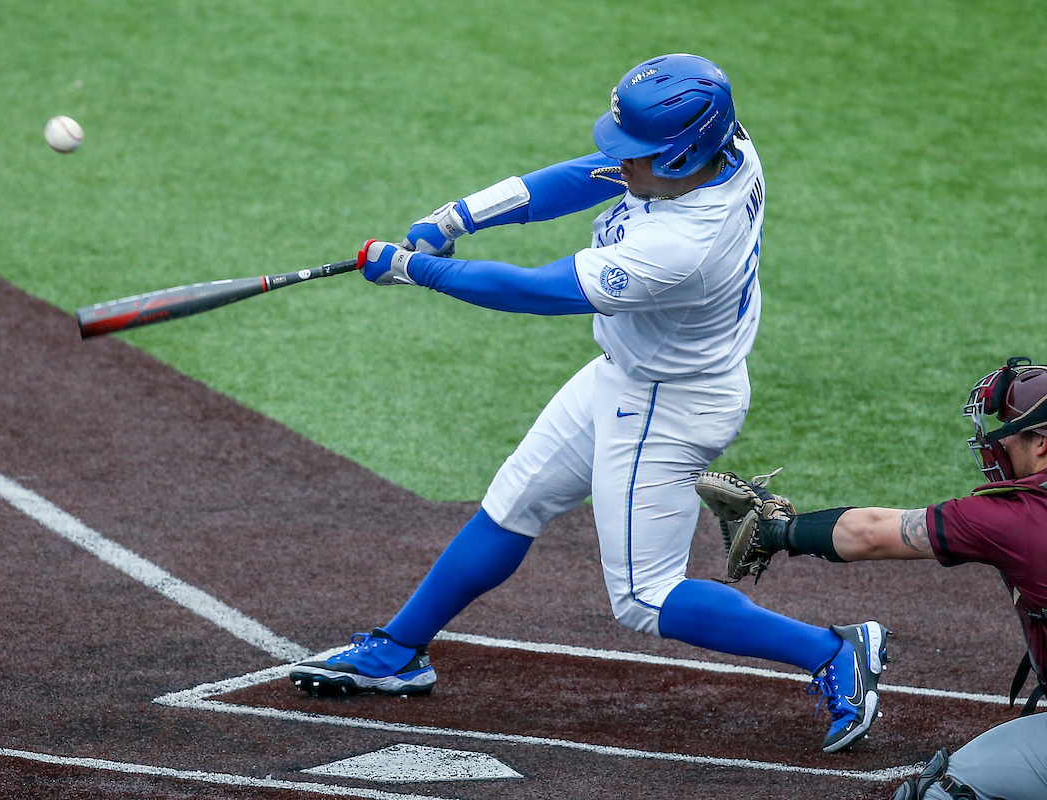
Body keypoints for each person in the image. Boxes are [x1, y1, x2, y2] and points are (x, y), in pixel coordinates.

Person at [289, 54, 888, 754]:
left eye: (635, 152)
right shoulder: (721, 146)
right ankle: (398, 651)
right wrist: (457, 217)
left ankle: (833, 649)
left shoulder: (682, 247)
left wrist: (413, 267)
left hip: (668, 406)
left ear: (683, 150)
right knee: (515, 502)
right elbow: (588, 174)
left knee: (645, 598)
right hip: (631, 374)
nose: (620, 161)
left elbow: (535, 291)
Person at [712, 356, 1047, 799]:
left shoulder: (1012, 518)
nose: (996, 448)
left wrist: (778, 532)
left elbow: (869, 534)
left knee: (940, 791)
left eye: (1005, 435)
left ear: (1040, 441)